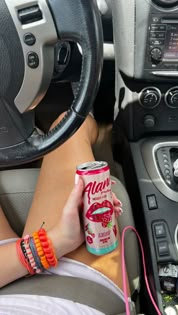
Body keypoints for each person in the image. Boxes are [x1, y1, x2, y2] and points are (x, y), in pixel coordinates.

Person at [0, 113, 126, 314]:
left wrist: (52, 244)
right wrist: (56, 242)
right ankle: (106, 142)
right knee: (70, 124)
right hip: (77, 291)